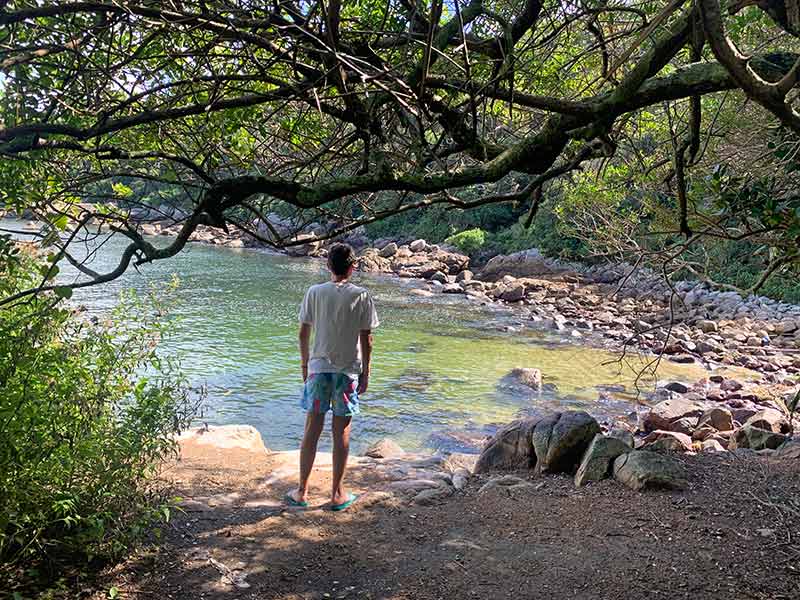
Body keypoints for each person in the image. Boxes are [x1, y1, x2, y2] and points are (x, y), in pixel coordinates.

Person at [285, 243, 379, 511]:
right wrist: (366, 373)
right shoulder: (362, 296)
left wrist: (305, 367)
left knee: (311, 429)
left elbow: (303, 334)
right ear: (353, 267)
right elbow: (367, 339)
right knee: (342, 432)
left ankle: (301, 491)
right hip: (347, 371)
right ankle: (337, 493)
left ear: (328, 265)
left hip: (318, 370)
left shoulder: (314, 292)